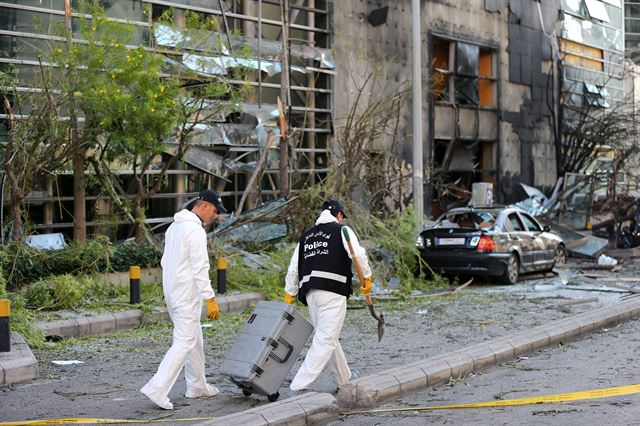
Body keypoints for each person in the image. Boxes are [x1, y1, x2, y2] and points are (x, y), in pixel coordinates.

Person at [140, 189, 227, 410]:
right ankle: (157, 388)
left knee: (194, 340)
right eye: (215, 211)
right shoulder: (194, 231)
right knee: (185, 342)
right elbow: (200, 267)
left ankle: (197, 386)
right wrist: (210, 298)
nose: (215, 216)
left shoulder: (174, 227)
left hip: (173, 292)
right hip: (187, 295)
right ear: (204, 205)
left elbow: (165, 262)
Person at [283, 198, 373, 397]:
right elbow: (358, 256)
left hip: (310, 293)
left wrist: (289, 293)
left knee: (327, 336)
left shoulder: (306, 236)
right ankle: (298, 386)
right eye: (342, 217)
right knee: (325, 339)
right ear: (339, 215)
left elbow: (293, 268)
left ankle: (344, 379)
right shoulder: (342, 231)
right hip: (333, 291)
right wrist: (366, 277)